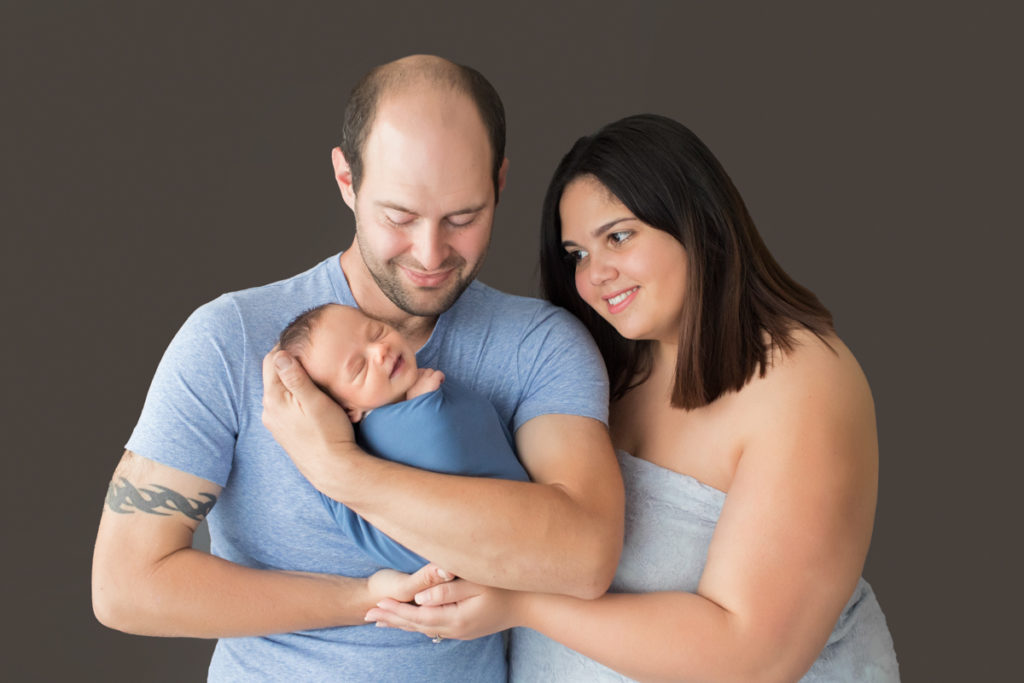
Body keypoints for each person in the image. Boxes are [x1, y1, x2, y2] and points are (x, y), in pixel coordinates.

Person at [91, 55, 624, 681]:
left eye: (464, 218)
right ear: (347, 180)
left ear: (500, 183)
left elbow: (584, 558)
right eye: (399, 218)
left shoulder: (538, 345)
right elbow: (128, 585)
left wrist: (339, 469)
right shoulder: (231, 338)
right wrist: (363, 598)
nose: (430, 253)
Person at [366, 114, 900, 681]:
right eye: (577, 255)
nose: (596, 275)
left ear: (697, 222)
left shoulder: (802, 384)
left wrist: (522, 603)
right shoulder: (604, 368)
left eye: (618, 237)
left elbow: (753, 658)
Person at [277, 302, 529, 573]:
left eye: (376, 333)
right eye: (360, 367)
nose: (380, 351)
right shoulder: (376, 440)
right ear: (348, 410)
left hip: (513, 530)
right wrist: (425, 409)